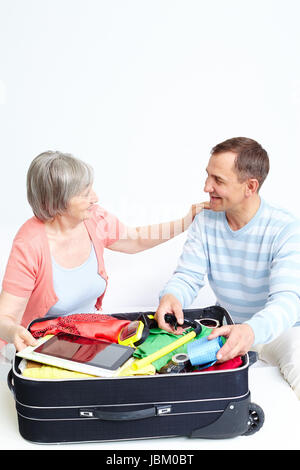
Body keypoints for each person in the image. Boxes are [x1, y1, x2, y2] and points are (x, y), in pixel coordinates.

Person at [0, 150, 208, 353]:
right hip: (41, 346)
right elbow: (4, 319)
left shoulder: (94, 219)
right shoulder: (30, 243)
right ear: (57, 202)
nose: (95, 197)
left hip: (86, 338)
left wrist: (185, 222)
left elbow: (135, 239)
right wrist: (13, 332)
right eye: (84, 193)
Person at [155, 137, 300, 398]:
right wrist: (172, 296)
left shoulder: (286, 228)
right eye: (208, 176)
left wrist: (252, 330)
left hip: (284, 331)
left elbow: (288, 300)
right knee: (168, 368)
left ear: (250, 187)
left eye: (218, 180)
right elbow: (188, 277)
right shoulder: (205, 221)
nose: (206, 187)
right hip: (228, 328)